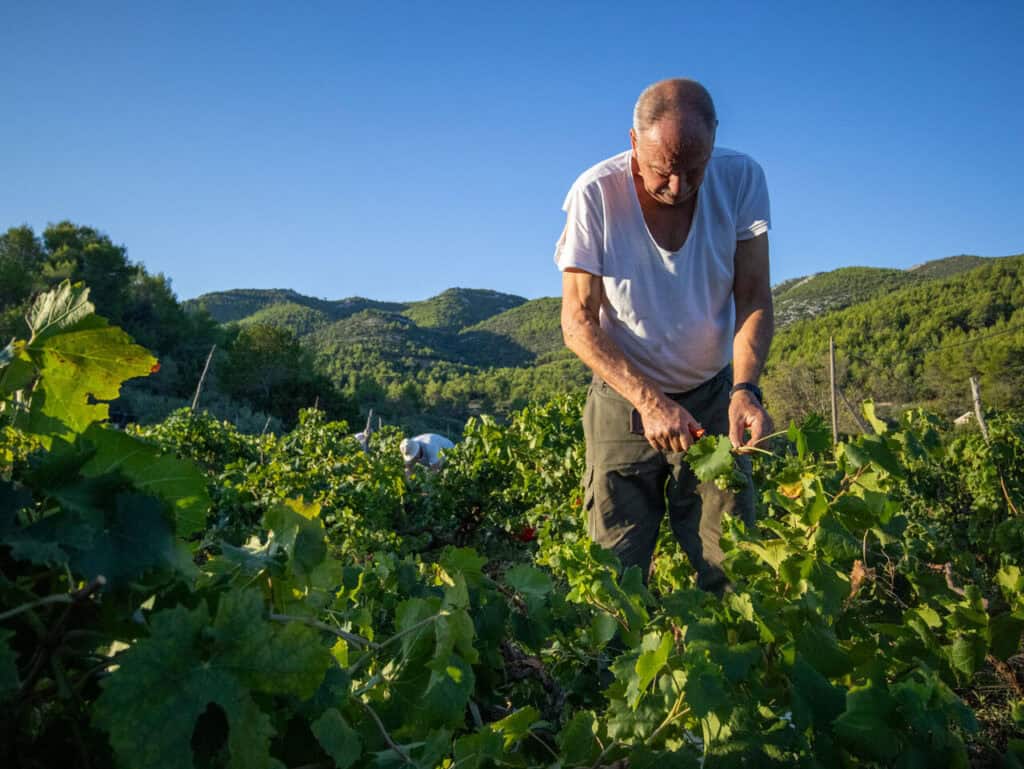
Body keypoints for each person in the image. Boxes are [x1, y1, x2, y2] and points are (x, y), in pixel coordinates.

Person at [555, 78, 774, 593]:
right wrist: (650, 403)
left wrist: (745, 389)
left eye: (693, 170)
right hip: (622, 403)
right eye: (662, 170)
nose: (678, 187)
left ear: (714, 142)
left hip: (714, 397)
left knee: (734, 570)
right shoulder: (595, 193)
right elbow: (578, 322)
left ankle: (729, 669)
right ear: (634, 142)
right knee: (613, 579)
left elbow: (755, 297)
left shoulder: (742, 180)